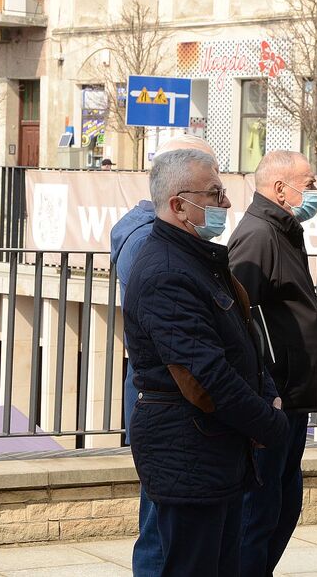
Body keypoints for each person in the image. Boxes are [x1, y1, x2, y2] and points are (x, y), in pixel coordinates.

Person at [122, 148, 288, 576]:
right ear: (179, 205)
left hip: (214, 449)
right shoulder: (166, 270)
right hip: (188, 450)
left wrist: (268, 394)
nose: (227, 204)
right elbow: (204, 375)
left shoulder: (199, 261)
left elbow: (245, 341)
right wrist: (268, 424)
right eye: (215, 195)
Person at [110, 134, 218, 576]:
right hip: (173, 417)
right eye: (211, 191)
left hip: (178, 415)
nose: (221, 200)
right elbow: (178, 341)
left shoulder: (170, 240)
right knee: (162, 537)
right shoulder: (150, 246)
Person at [227, 151, 317, 576]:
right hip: (276, 401)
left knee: (283, 508)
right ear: (280, 189)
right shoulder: (259, 235)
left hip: (293, 398)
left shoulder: (284, 230)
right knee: (259, 515)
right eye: (310, 182)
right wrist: (264, 393)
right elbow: (238, 322)